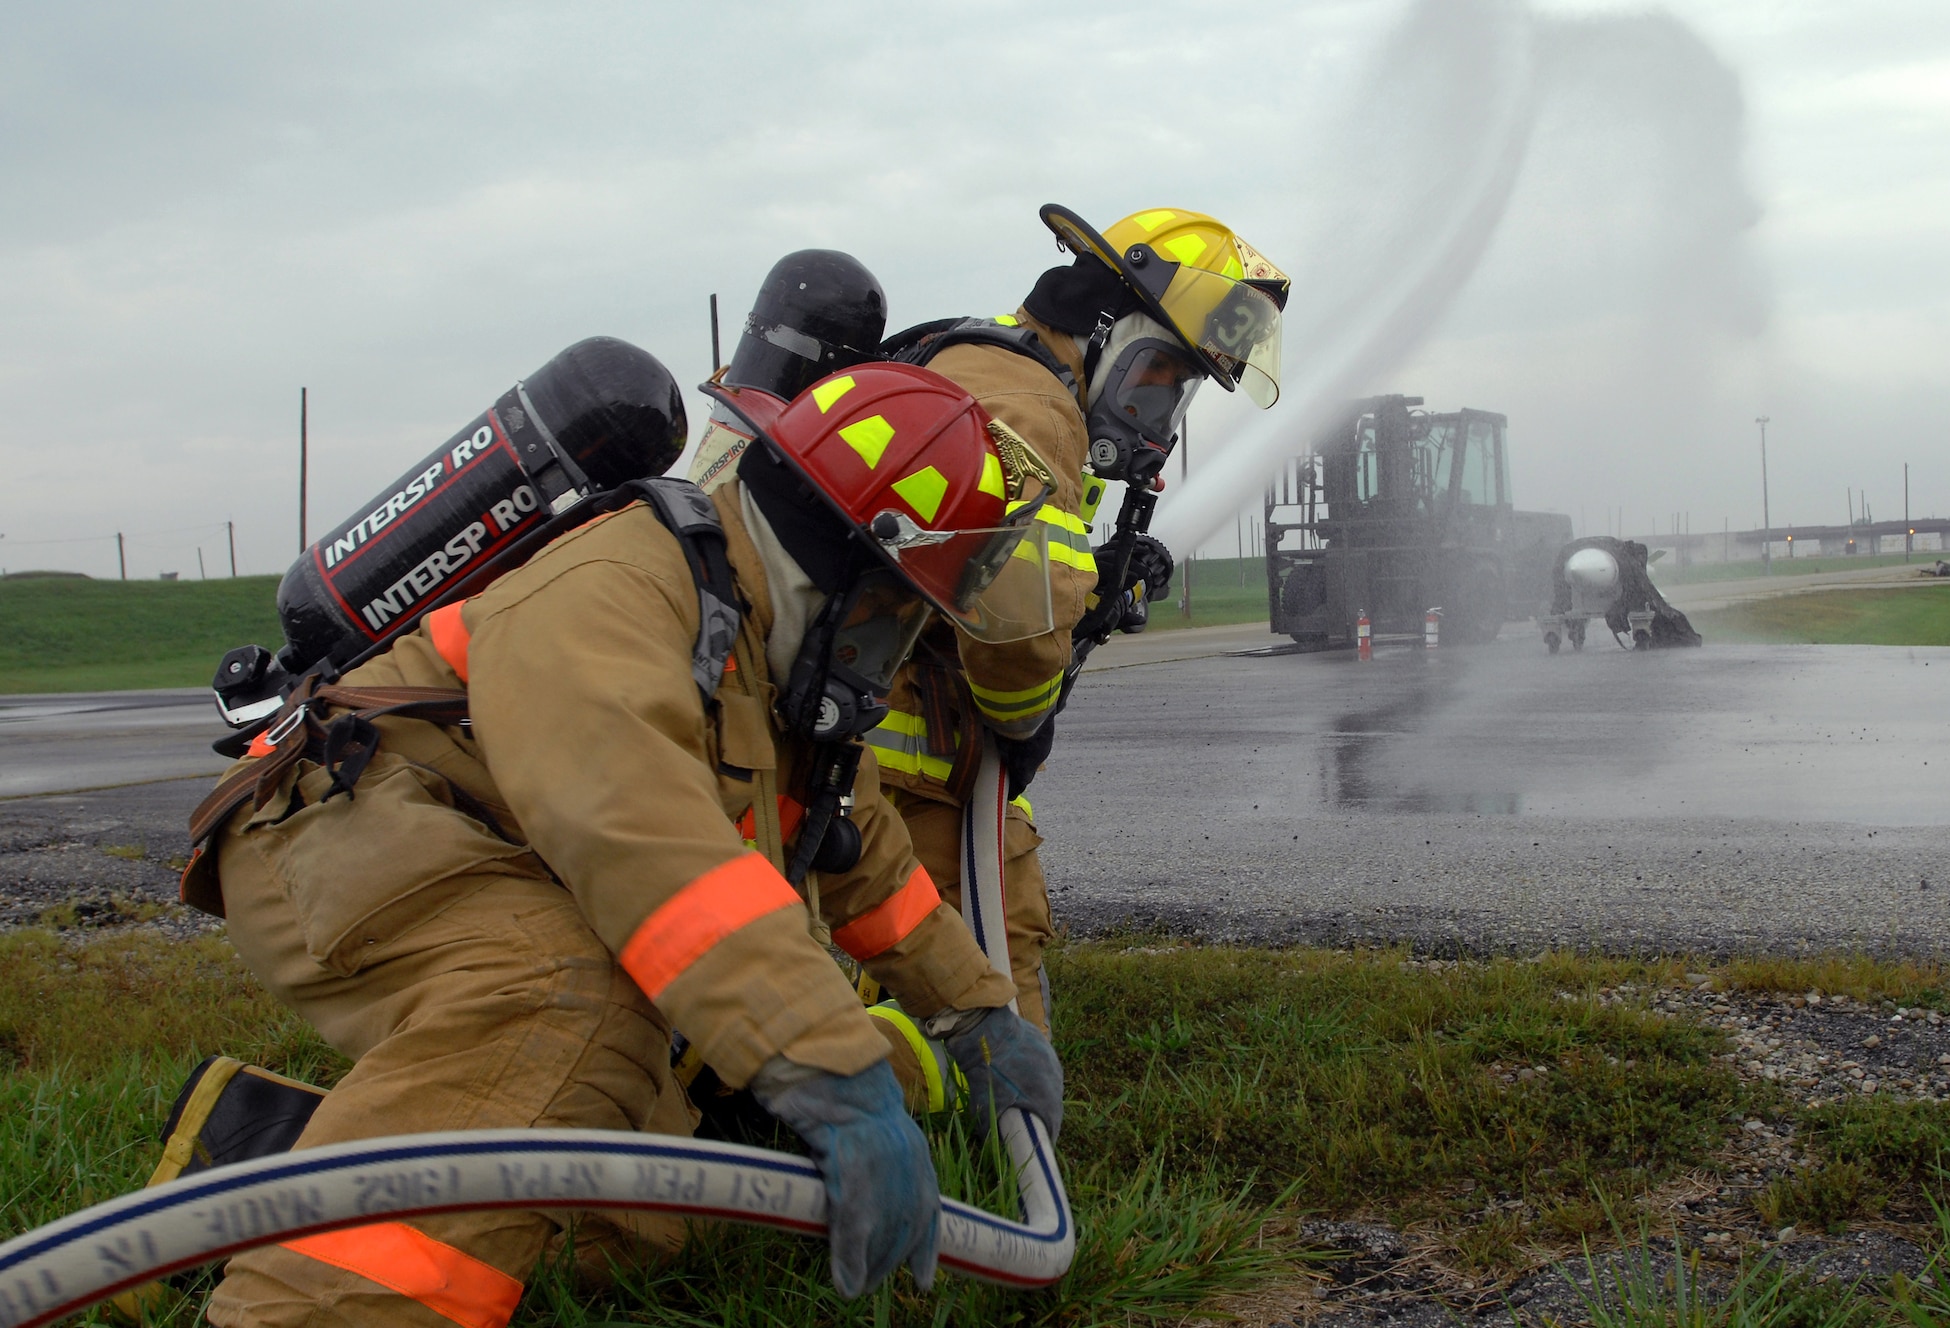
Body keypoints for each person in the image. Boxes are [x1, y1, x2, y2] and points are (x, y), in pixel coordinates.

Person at [193, 360, 1065, 1324]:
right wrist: (831, 1067)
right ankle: (310, 1308)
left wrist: (975, 1011)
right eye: (906, 611)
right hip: (355, 819)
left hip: (505, 851)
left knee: (644, 1204)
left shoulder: (764, 645)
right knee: (566, 1001)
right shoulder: (618, 589)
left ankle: (249, 1153)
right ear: (851, 569)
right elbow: (646, 846)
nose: (903, 646)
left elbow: (857, 856)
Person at [692, 206, 1289, 1053]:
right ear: (1104, 327)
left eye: (1178, 390)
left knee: (877, 967)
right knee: (986, 982)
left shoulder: (975, 358)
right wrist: (1028, 720)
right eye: (1158, 375)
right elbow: (1021, 637)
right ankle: (965, 1136)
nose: (1159, 412)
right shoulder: (1035, 411)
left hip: (871, 747)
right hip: (914, 771)